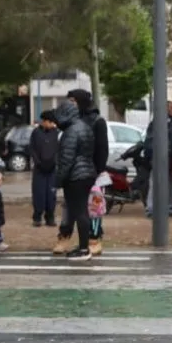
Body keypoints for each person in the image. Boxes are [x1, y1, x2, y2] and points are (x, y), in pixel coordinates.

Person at [53, 99, 97, 260]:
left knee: (79, 212)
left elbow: (66, 159)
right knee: (82, 211)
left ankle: (84, 248)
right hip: (87, 173)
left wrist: (58, 180)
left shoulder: (70, 132)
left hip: (75, 176)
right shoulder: (85, 127)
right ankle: (84, 245)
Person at [66, 89, 108, 254]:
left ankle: (94, 238)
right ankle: (80, 239)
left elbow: (102, 149)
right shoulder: (74, 120)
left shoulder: (97, 121)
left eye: (73, 101)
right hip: (76, 173)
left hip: (93, 173)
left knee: (94, 208)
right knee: (78, 209)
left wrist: (99, 170)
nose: (71, 105)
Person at [143, 100, 172, 217]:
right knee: (158, 182)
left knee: (166, 182)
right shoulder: (158, 123)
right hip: (162, 157)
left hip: (167, 157)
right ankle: (155, 208)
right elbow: (152, 141)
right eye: (171, 108)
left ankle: (161, 207)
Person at [29, 111, 59, 227]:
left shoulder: (56, 133)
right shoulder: (36, 133)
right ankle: (37, 216)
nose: (51, 124)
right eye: (49, 122)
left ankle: (50, 216)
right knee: (39, 193)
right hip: (39, 168)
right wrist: (38, 162)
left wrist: (54, 162)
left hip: (52, 169)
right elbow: (32, 149)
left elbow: (58, 149)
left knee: (51, 194)